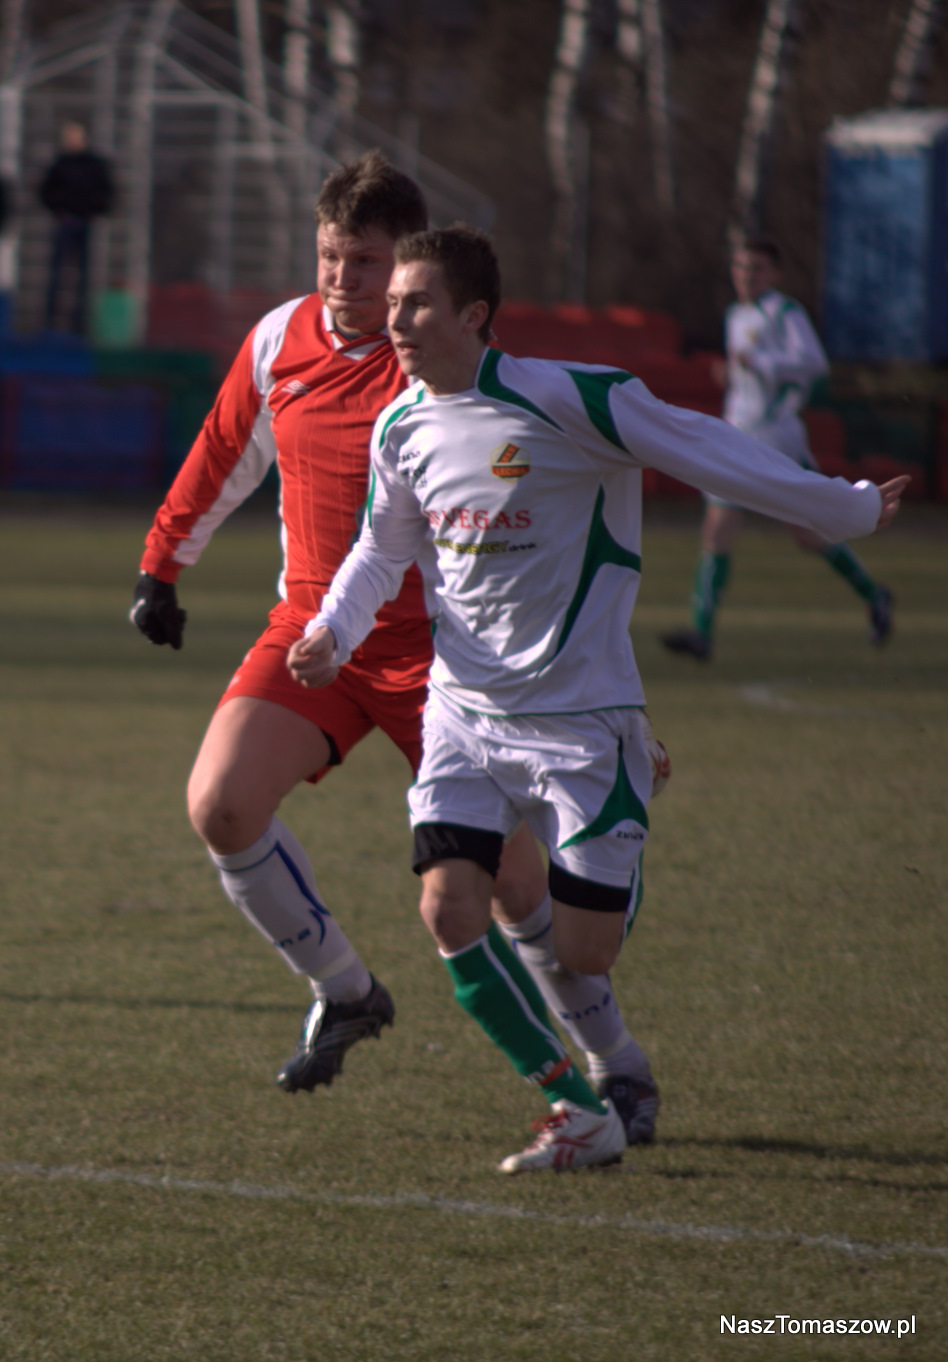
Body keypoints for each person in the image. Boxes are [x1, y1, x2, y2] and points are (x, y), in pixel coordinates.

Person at [287, 226, 909, 1173]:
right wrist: (334, 629)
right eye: (394, 303)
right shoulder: (400, 425)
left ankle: (629, 797)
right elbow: (381, 547)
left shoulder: (573, 399)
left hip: (582, 721)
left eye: (416, 302)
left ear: (473, 314)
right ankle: (576, 1107)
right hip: (463, 713)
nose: (394, 318)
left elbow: (708, 450)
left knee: (586, 950)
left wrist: (846, 506)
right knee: (448, 910)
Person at [131, 155, 658, 1143]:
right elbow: (224, 448)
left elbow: (548, 520)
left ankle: (615, 1064)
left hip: (449, 659)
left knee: (515, 887)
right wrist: (161, 565)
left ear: (409, 263)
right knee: (221, 803)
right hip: (315, 636)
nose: (344, 279)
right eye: (331, 255)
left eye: (367, 262)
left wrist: (604, 696)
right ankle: (345, 990)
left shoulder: (446, 364)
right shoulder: (278, 338)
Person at [661, 238, 894, 662]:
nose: (746, 275)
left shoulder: (785, 312)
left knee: (807, 533)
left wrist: (761, 364)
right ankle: (701, 633)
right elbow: (748, 372)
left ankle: (874, 594)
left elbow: (814, 364)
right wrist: (731, 374)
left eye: (756, 268)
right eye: (741, 266)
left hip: (776, 436)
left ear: (774, 274)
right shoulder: (736, 314)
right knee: (718, 526)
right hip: (738, 434)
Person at [39, 122, 113, 334]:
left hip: (86, 223)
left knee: (85, 276)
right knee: (57, 273)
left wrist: (94, 212)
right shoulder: (60, 164)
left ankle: (79, 324)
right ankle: (50, 322)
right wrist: (59, 210)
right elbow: (46, 191)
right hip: (65, 222)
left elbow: (107, 192)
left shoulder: (95, 165)